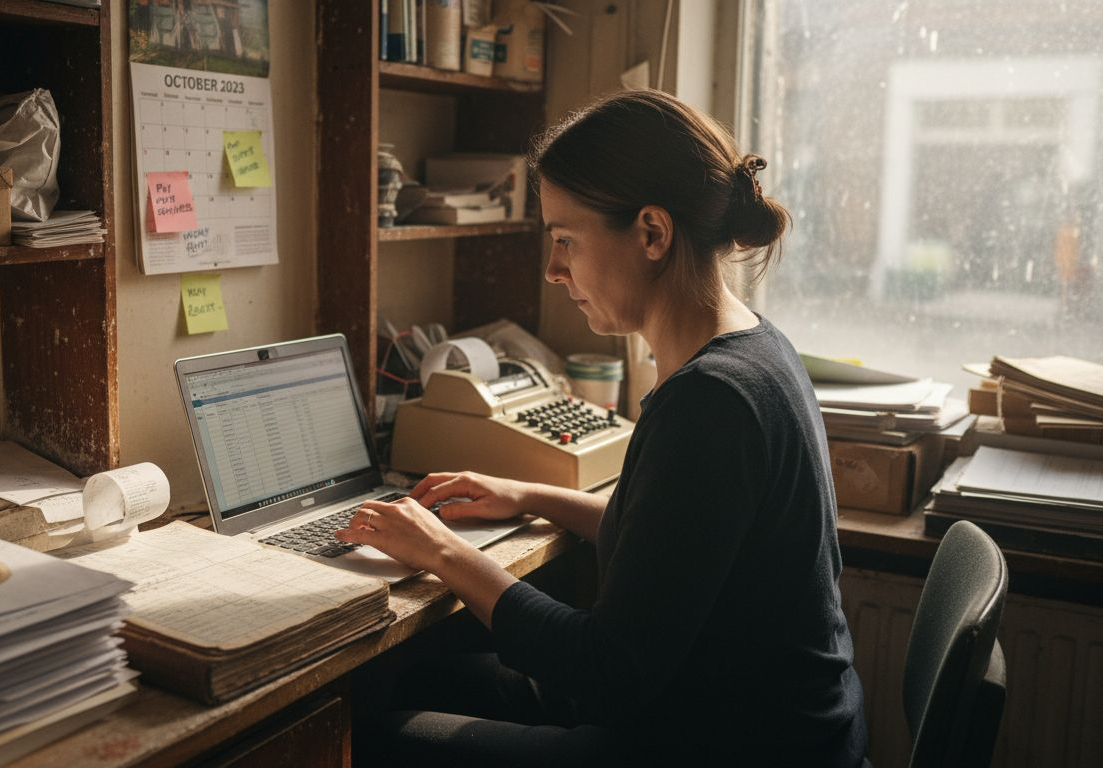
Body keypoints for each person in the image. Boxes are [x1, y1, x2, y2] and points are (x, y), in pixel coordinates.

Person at [337, 89, 868, 766]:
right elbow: (671, 541)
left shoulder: (711, 401)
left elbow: (605, 671)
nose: (555, 271)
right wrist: (529, 496)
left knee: (376, 740)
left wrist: (443, 553)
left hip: (725, 745)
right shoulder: (756, 349)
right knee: (427, 678)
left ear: (652, 233)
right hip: (758, 721)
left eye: (565, 241)